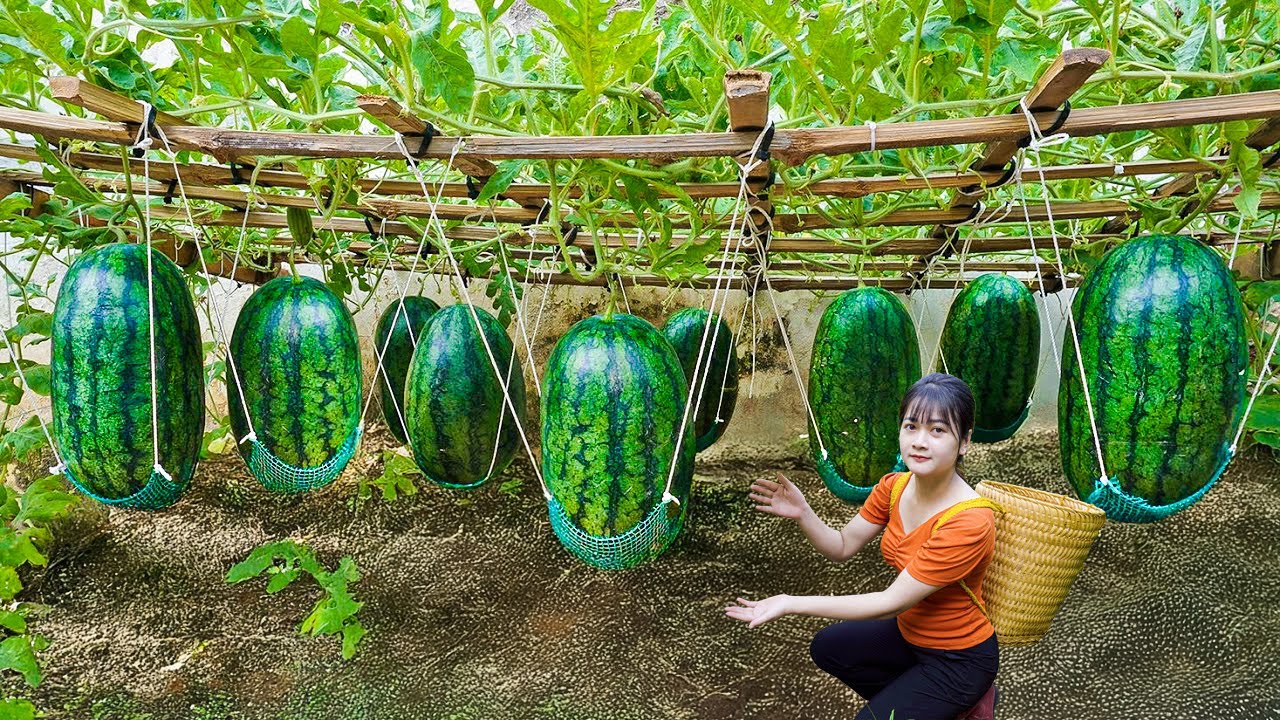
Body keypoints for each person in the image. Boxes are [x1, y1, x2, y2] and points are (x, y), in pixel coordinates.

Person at [725, 373, 999, 720]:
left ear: (964, 442)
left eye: (938, 430)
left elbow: (889, 602)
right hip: (910, 635)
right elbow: (841, 546)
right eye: (911, 426)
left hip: (958, 659)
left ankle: (963, 701)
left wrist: (789, 602)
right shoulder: (894, 487)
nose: (919, 441)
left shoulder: (969, 522)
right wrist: (803, 513)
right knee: (830, 648)